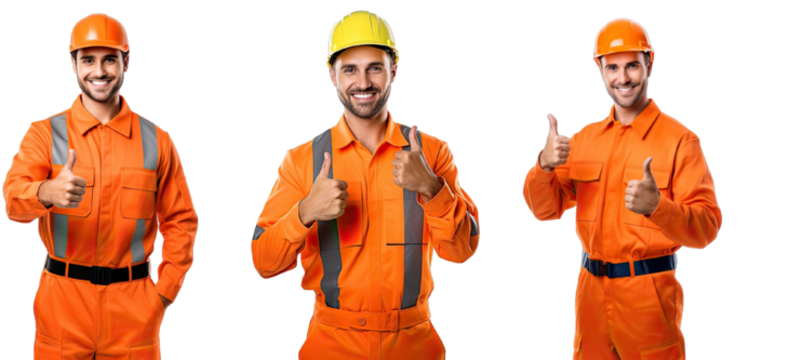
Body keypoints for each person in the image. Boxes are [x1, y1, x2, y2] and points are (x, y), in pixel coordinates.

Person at [248, 10, 481, 359]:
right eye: (350, 69)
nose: (363, 82)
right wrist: (305, 212)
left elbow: (463, 250)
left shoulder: (432, 153)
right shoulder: (301, 161)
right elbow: (262, 263)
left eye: (375, 67)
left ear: (394, 70)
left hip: (414, 344)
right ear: (332, 76)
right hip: (331, 344)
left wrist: (433, 190)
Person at [520, 17, 723, 359]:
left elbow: (706, 228)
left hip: (648, 296)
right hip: (589, 295)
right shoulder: (585, 139)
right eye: (612, 67)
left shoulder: (680, 141)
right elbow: (543, 210)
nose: (623, 77)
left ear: (650, 63)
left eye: (632, 65)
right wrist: (543, 166)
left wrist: (658, 207)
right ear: (599, 69)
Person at [0, 12, 199, 359]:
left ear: (126, 62)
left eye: (110, 59)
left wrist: (162, 295)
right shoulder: (44, 133)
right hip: (61, 306)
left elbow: (181, 222)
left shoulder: (158, 141)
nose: (100, 71)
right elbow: (12, 202)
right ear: (73, 65)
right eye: (88, 60)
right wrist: (46, 192)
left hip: (134, 309)